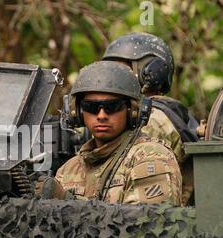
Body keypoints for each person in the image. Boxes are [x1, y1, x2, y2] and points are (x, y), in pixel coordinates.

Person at [35, 61, 182, 205]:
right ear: (77, 112)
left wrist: (67, 201)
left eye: (112, 106)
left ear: (133, 111)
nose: (101, 115)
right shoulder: (69, 169)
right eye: (90, 107)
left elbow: (146, 223)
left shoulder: (150, 157)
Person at [102, 32, 198, 205]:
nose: (111, 78)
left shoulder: (152, 119)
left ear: (152, 72)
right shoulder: (166, 113)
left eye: (120, 70)